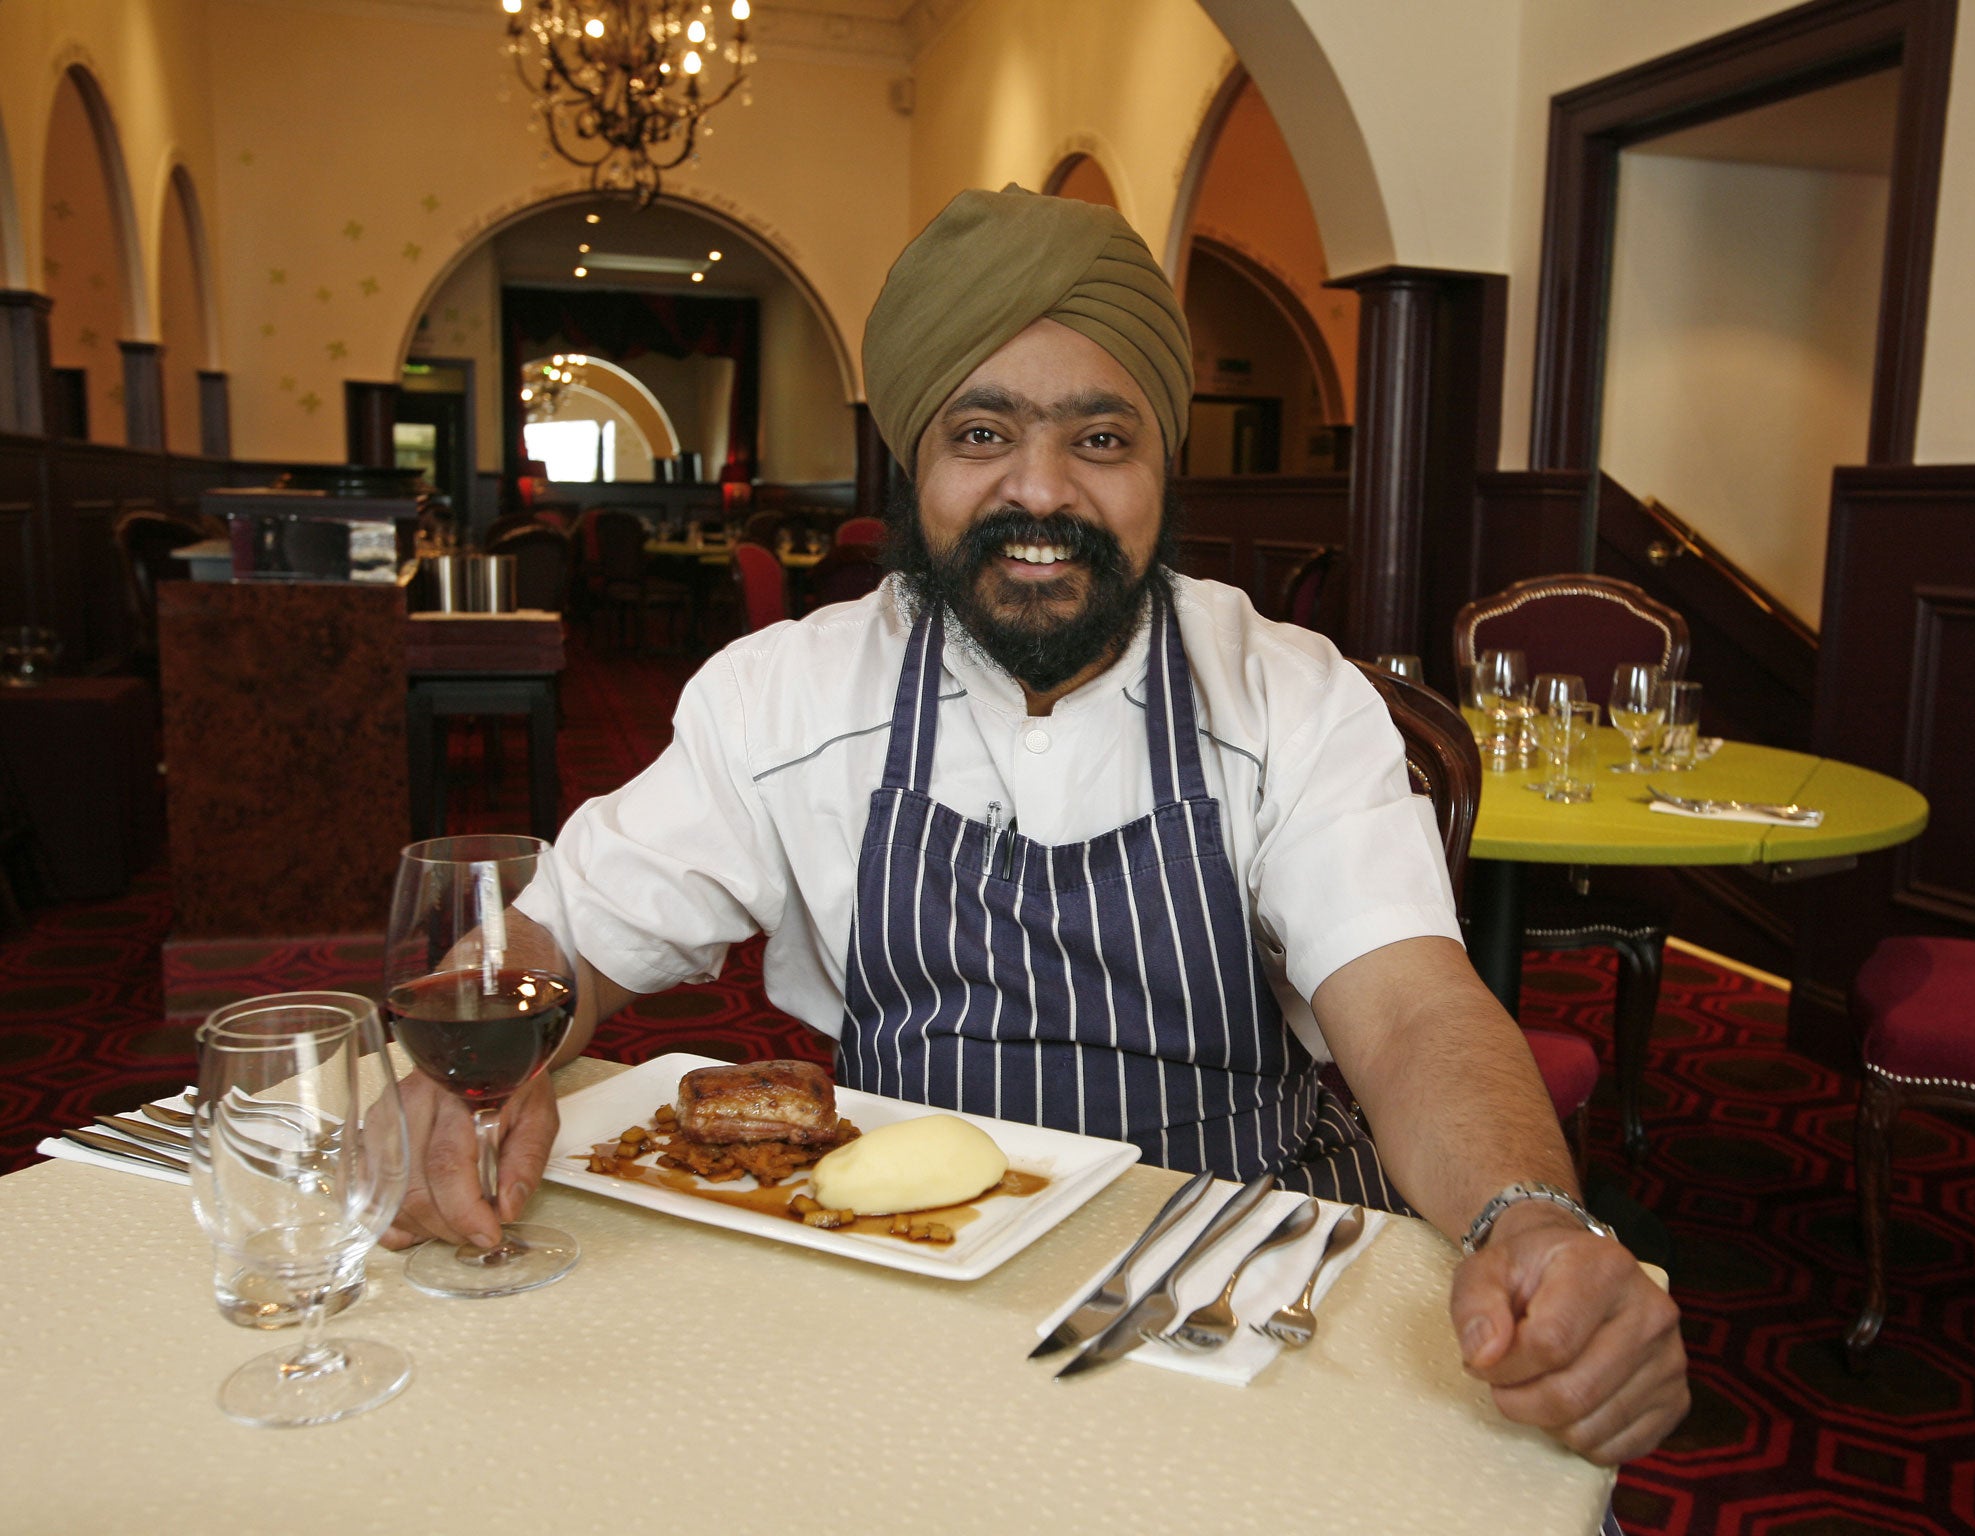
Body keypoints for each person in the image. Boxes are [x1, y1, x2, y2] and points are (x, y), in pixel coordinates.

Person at [389, 186, 1686, 1467]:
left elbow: (1412, 1007)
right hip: (905, 1260)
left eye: (1101, 439)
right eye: (983, 433)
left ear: (1161, 462)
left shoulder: (1288, 697)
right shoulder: (785, 695)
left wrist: (1531, 1218)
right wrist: (454, 1080)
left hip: (1234, 1257)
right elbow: (567, 934)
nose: (1042, 491)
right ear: (915, 461)